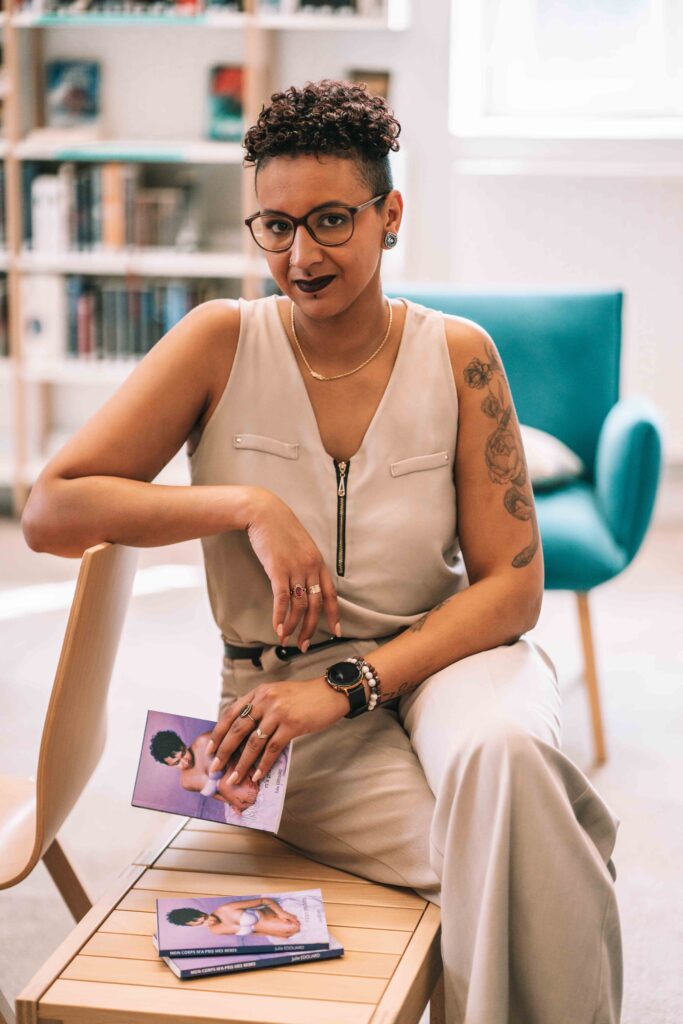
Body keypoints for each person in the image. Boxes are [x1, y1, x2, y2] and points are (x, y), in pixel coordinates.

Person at [21, 79, 623, 1023]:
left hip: (447, 661)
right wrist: (246, 503)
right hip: (277, 726)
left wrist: (348, 687)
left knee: (505, 755)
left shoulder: (460, 355)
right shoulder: (217, 342)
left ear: (390, 215)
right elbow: (51, 511)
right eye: (275, 226)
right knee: (515, 854)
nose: (300, 255)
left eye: (332, 220)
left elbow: (510, 587)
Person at [149, 727, 259, 814]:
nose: (185, 762)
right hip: (236, 797)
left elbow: (237, 743)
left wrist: (247, 769)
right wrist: (232, 804)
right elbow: (214, 794)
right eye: (176, 763)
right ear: (170, 766)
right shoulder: (186, 782)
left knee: (225, 786)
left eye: (183, 753)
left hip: (244, 772)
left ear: (183, 744)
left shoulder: (205, 741)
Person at [166, 897, 301, 940]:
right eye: (202, 924)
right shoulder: (215, 931)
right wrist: (276, 936)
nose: (209, 922)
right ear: (193, 927)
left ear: (200, 911)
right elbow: (253, 931)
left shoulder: (226, 909)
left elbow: (264, 900)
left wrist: (284, 915)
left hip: (292, 917)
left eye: (204, 917)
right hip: (286, 936)